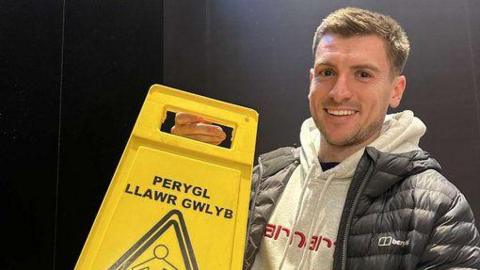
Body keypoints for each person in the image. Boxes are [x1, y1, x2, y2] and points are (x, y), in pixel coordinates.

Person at [171, 7, 480, 270]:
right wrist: (188, 179)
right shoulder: (265, 177)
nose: (339, 92)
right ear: (311, 80)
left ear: (396, 90)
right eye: (327, 72)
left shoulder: (439, 208)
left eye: (363, 74)